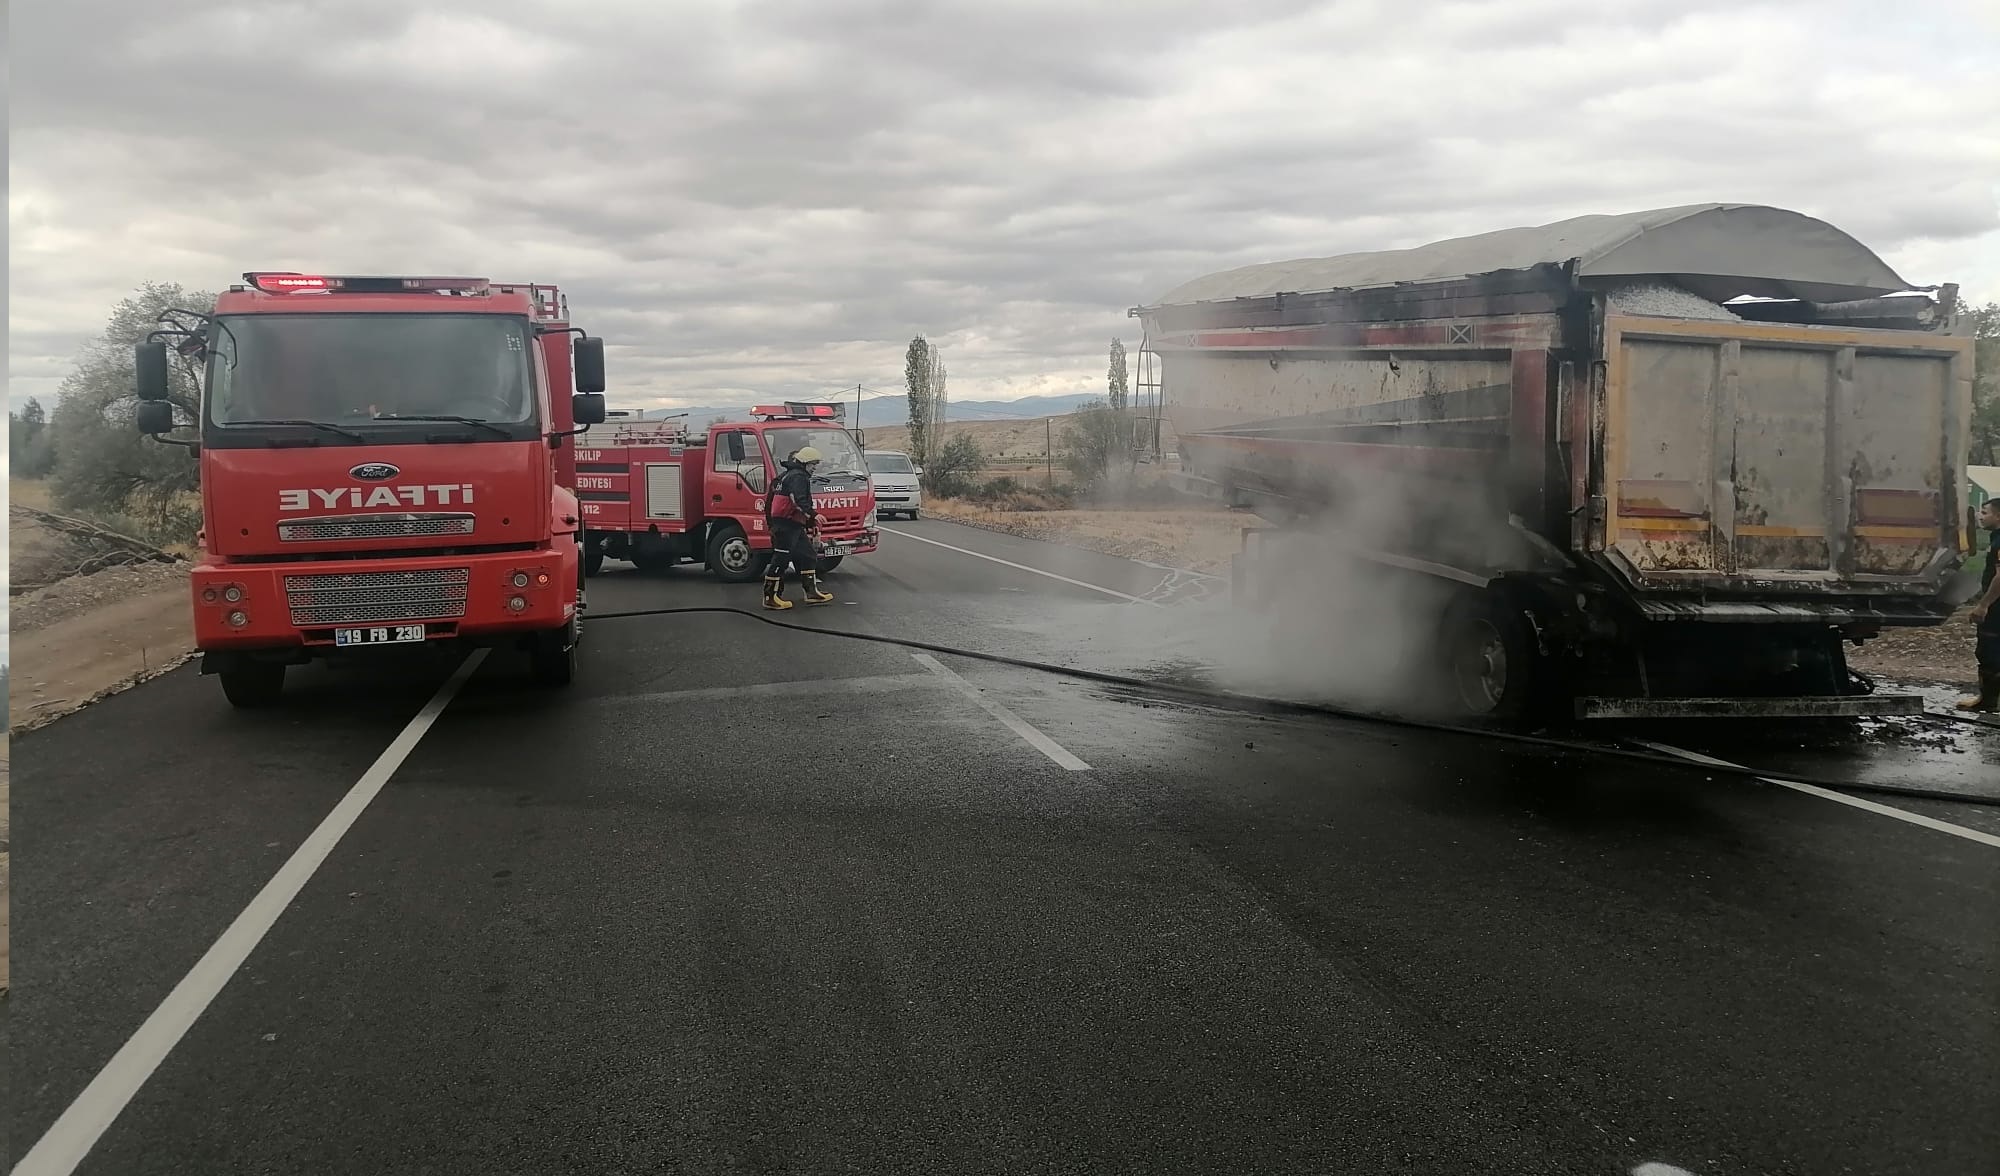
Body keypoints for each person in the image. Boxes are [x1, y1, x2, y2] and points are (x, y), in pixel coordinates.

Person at [763, 445, 834, 610]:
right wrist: (814, 515)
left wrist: (810, 523)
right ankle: (770, 597)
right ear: (804, 463)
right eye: (813, 464)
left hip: (793, 524)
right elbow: (798, 500)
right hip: (785, 525)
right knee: (781, 560)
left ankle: (811, 593)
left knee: (808, 555)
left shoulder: (791, 475)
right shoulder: (798, 476)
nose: (815, 467)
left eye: (816, 464)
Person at [1957, 496, 2000, 712]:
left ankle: (1988, 701)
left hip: (1997, 608)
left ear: (1998, 516)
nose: (1980, 517)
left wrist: (1983, 605)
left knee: (1989, 650)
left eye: (1985, 512)